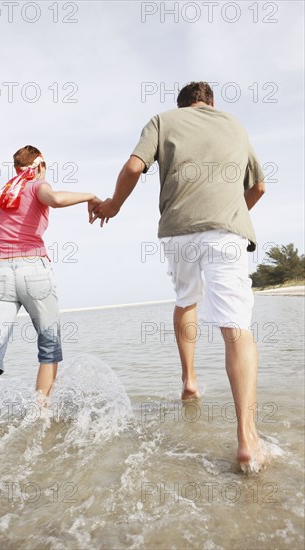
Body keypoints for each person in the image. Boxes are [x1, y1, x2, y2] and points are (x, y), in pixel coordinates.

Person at [92, 82, 267, 472]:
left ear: (182, 105)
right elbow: (258, 186)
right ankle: (247, 439)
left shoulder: (162, 120)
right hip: (226, 232)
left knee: (187, 299)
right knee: (236, 327)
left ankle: (189, 381)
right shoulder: (234, 125)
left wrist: (113, 206)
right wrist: (235, 212)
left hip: (178, 232)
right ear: (211, 104)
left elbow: (134, 167)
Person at [0, 145, 101, 466]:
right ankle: (42, 418)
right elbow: (56, 199)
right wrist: (91, 195)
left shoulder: (6, 194)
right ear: (40, 164)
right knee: (48, 349)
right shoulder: (36, 184)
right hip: (34, 269)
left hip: (0, 273)